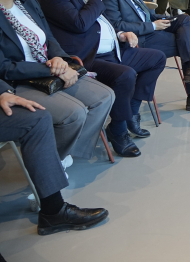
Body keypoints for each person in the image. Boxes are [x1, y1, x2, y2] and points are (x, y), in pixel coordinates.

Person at [36, 0, 167, 158]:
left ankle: (131, 111)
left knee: (156, 58)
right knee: (125, 75)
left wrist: (120, 34)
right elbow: (79, 23)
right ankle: (118, 129)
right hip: (86, 56)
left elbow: (100, 22)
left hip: (112, 49)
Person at [0, 0, 114, 161]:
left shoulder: (27, 3)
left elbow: (49, 38)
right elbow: (5, 67)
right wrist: (54, 69)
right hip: (20, 81)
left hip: (51, 68)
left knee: (105, 96)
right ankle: (51, 161)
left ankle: (65, 155)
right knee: (74, 113)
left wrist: (60, 59)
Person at [0, 84, 109, 235]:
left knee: (107, 94)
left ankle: (53, 204)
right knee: (40, 120)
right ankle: (53, 208)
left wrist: (3, 91)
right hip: (22, 81)